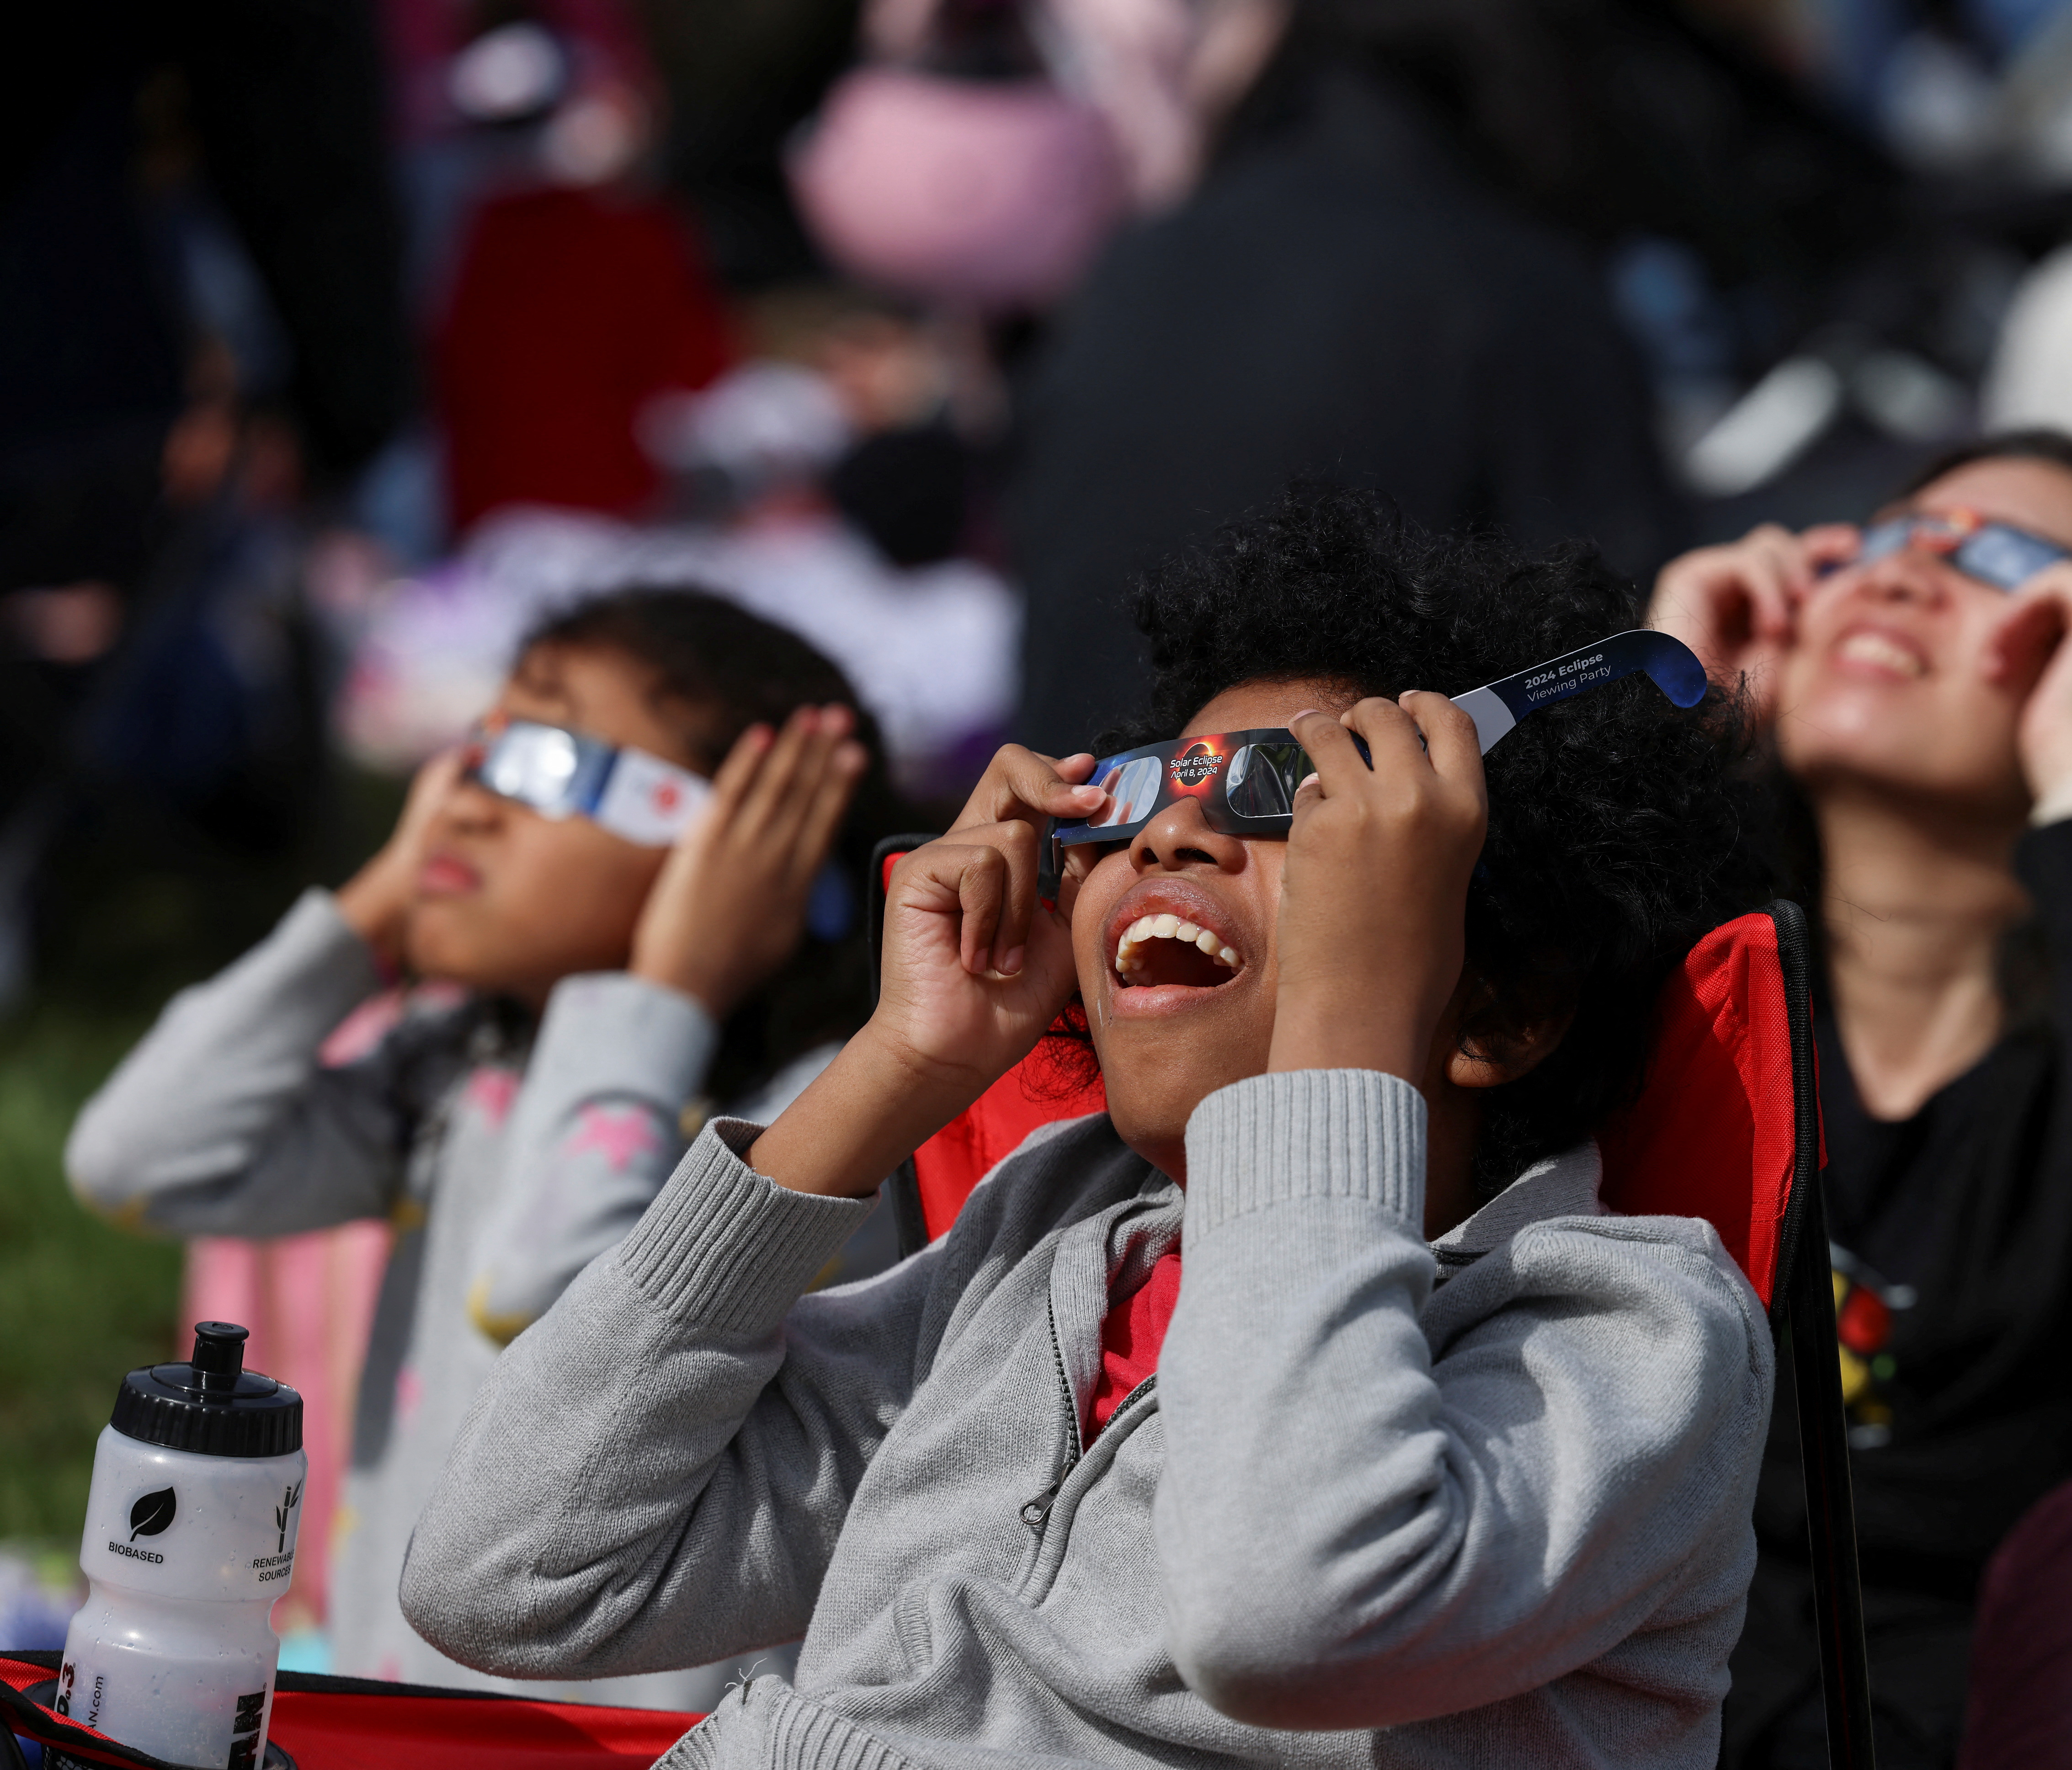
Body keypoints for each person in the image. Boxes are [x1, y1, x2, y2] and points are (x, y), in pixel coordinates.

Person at [398, 487, 1778, 1765]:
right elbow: (509, 1573)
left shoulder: (1633, 1334)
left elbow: (1287, 1618)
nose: (1171, 839)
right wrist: (901, 1060)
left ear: (1501, 1011)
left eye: (1290, 803)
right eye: (1137, 796)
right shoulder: (1047, 1247)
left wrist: (1348, 1030)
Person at [66, 587, 898, 1705]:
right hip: (401, 1722)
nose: (461, 802)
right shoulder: (463, 1076)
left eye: (544, 762)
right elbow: (140, 1159)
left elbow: (554, 1308)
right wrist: (373, 909)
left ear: (747, 850)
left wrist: (666, 991)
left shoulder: (817, 1132)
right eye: (479, 751)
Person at [1651, 432, 2072, 1769]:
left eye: (2013, 570)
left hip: (2051, 1724)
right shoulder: (1687, 996)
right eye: (1885, 540)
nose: (1909, 579)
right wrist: (1661, 728)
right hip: (1711, 1722)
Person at [1001, 0, 1685, 758]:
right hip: (1310, 832)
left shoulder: (1128, 271)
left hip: (1078, 821)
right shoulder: (1513, 279)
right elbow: (1614, 671)